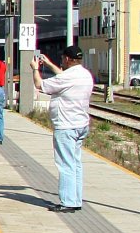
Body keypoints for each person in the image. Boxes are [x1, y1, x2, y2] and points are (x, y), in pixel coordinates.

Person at [31, 45, 94, 213]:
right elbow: (63, 76)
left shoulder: (67, 78)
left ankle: (67, 202)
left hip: (66, 126)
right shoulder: (85, 75)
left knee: (65, 164)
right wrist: (49, 64)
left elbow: (39, 85)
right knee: (75, 164)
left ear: (67, 59)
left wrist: (35, 69)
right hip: (81, 125)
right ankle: (76, 199)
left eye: (62, 59)